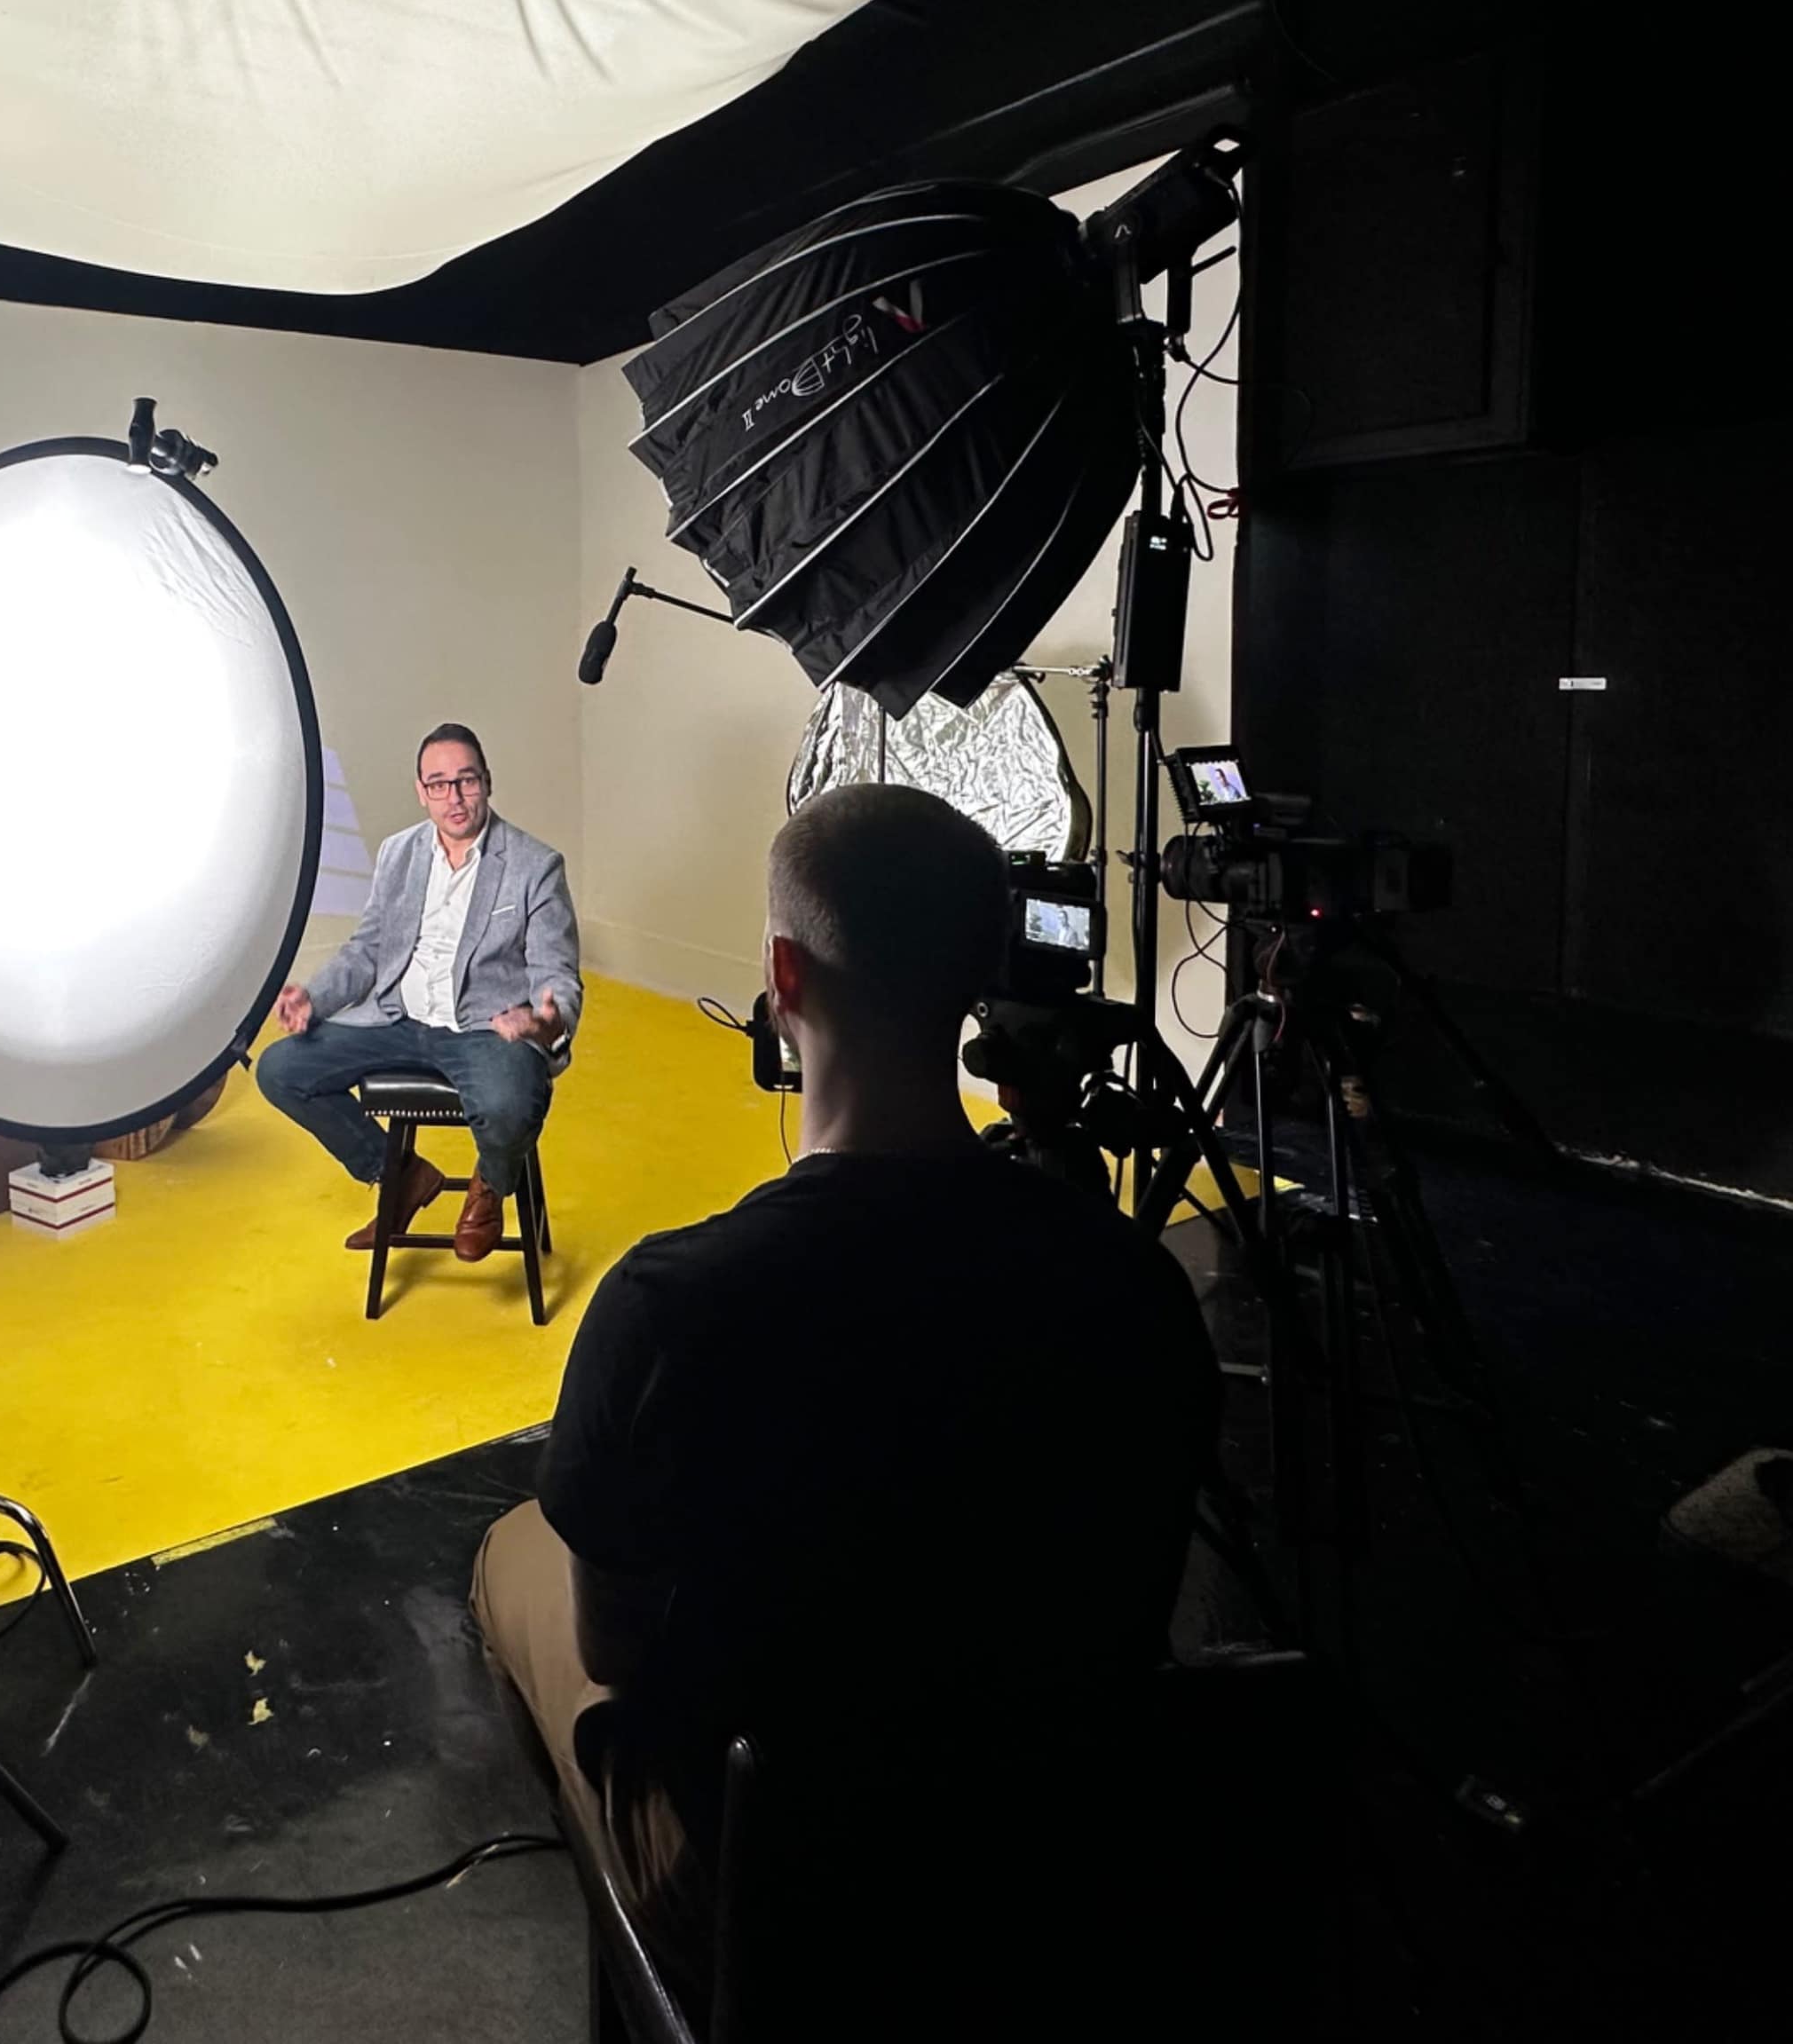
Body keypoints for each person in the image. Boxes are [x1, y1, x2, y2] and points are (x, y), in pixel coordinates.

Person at [470, 783, 1220, 2001]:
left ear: (784, 974)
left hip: (787, 1892)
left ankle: (640, 1958)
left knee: (516, 1559)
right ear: (980, 970)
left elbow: (616, 1649)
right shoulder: (1133, 1283)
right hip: (1064, 1846)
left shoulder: (667, 1306)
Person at [254, 724, 580, 1263]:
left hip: (486, 1028)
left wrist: (547, 1020)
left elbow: (557, 973)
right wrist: (317, 999)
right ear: (421, 791)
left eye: (466, 781)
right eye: (439, 784)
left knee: (510, 1102)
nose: (454, 798)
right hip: (398, 1019)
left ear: (487, 783)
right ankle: (398, 1173)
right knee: (281, 1070)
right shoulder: (398, 853)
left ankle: (490, 1186)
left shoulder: (534, 866)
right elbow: (369, 948)